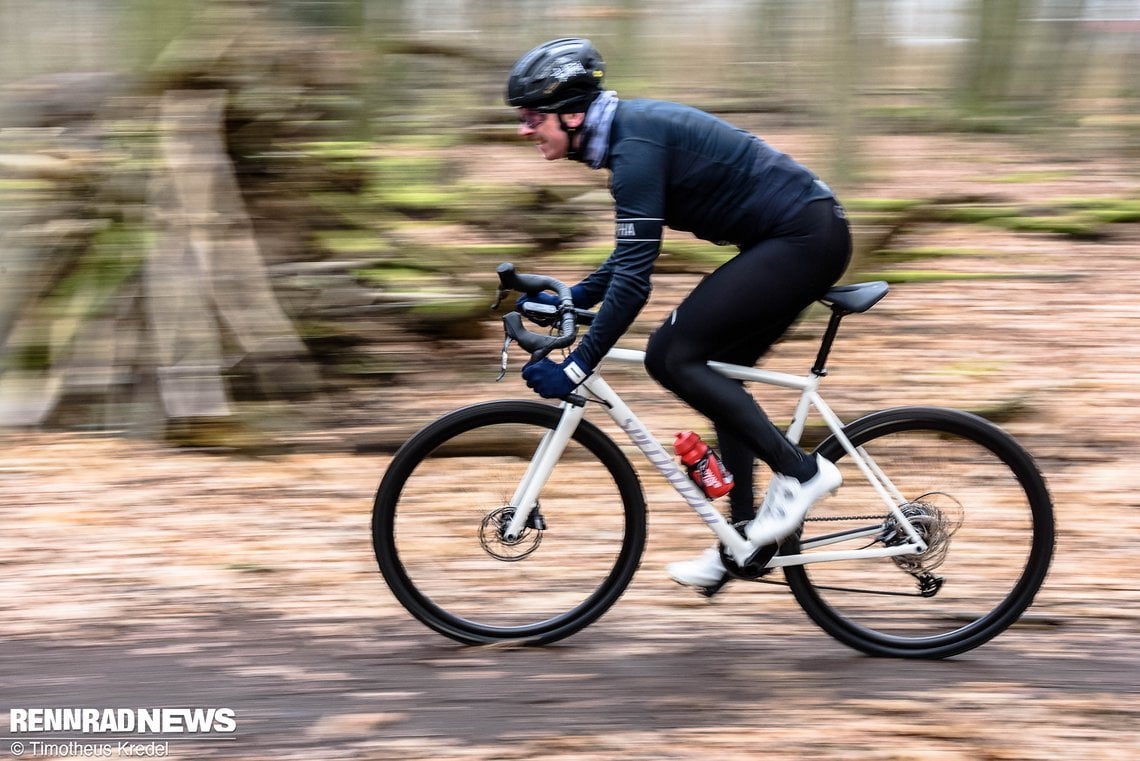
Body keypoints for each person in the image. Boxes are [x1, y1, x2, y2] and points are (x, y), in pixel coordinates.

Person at [507, 38, 851, 594]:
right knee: (712, 368)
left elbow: (636, 281)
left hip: (803, 238)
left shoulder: (633, 147)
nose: (525, 129)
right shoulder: (627, 139)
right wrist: (575, 296)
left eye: (532, 116)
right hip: (796, 236)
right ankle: (745, 541)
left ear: (572, 113)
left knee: (671, 355)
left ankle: (801, 474)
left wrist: (576, 367)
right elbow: (630, 253)